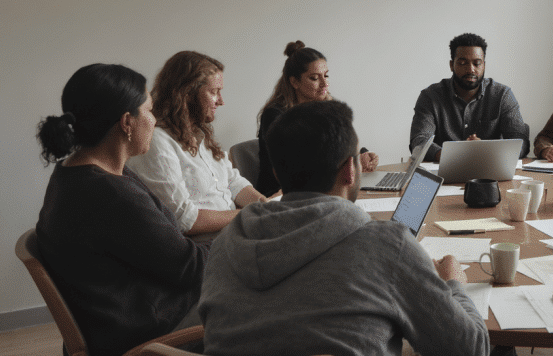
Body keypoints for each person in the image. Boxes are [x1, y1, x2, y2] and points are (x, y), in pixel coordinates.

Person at [199, 100, 489, 356]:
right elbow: (470, 348)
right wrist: (453, 283)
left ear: (277, 173)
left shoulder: (226, 242)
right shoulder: (387, 246)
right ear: (350, 170)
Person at [36, 64, 209, 356]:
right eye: (150, 111)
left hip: (123, 321)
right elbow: (190, 268)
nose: (155, 121)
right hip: (147, 337)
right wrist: (240, 240)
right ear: (127, 122)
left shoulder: (77, 172)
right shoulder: (108, 194)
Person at [127, 51, 269, 235]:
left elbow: (233, 181)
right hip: (207, 244)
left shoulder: (200, 133)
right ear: (187, 93)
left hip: (233, 231)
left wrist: (263, 203)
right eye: (214, 92)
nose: (221, 101)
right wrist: (247, 214)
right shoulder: (157, 141)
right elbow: (184, 219)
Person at [255, 40, 379, 196]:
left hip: (319, 189)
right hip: (281, 193)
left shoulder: (323, 105)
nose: (324, 83)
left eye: (326, 76)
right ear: (294, 82)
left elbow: (341, 143)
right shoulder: (275, 115)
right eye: (314, 78)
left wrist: (361, 154)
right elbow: (301, 166)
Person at [410, 32, 530, 162]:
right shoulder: (430, 96)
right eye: (462, 63)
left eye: (477, 63)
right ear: (451, 65)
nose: (471, 69)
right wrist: (453, 155)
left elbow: (520, 141)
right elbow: (419, 140)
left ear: (484, 65)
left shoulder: (502, 95)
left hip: (489, 173)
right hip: (443, 173)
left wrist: (485, 150)